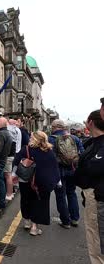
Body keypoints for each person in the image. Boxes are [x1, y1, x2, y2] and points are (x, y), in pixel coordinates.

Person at [13, 131, 60, 236]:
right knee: (39, 202)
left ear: (34, 138)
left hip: (25, 180)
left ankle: (26, 221)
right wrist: (57, 180)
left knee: (25, 199)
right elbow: (54, 168)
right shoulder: (49, 151)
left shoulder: (26, 149)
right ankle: (34, 227)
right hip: (41, 181)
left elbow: (16, 162)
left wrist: (14, 175)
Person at [75, 110, 104, 263]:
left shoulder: (99, 145)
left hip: (96, 196)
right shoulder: (92, 142)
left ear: (90, 122)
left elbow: (94, 167)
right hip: (91, 195)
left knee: (96, 243)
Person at [49, 119, 84, 228]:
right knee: (71, 193)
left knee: (60, 196)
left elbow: (49, 158)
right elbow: (82, 154)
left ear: (55, 127)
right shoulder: (75, 138)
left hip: (58, 172)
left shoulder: (50, 139)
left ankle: (65, 221)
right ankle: (75, 219)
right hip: (72, 170)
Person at [5, 119, 22, 201]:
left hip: (14, 152)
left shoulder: (12, 130)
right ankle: (13, 189)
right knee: (12, 172)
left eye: (8, 122)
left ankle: (10, 192)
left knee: (9, 174)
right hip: (16, 151)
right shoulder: (17, 130)